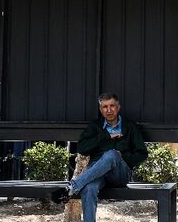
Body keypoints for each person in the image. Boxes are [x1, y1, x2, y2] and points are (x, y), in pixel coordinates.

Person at [53, 92, 148, 221]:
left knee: (111, 154)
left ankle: (72, 187)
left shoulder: (130, 127)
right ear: (100, 109)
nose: (109, 110)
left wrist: (123, 155)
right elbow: (82, 149)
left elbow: (142, 154)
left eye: (112, 106)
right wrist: (105, 137)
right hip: (97, 173)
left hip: (120, 174)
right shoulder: (95, 127)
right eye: (105, 107)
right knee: (89, 188)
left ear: (118, 107)